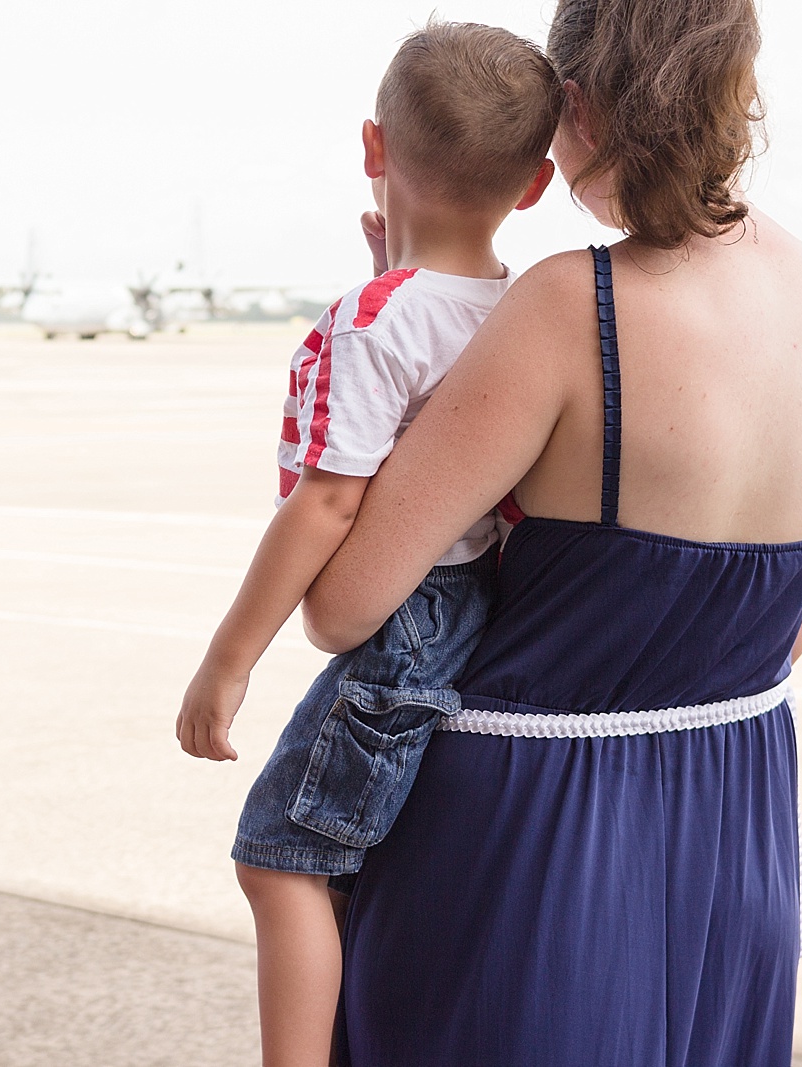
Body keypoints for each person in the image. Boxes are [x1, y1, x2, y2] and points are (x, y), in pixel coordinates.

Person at [299, 1, 802, 1063]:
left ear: (571, 103)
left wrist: (394, 308)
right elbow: (783, 638)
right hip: (733, 824)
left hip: (527, 840)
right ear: (738, 89)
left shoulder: (571, 305)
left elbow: (342, 605)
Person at [175, 23, 561, 1065]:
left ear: (372, 147)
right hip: (473, 601)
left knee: (279, 854)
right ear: (531, 187)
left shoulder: (372, 317)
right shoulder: (523, 305)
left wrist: (226, 662)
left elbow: (326, 504)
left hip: (400, 622)